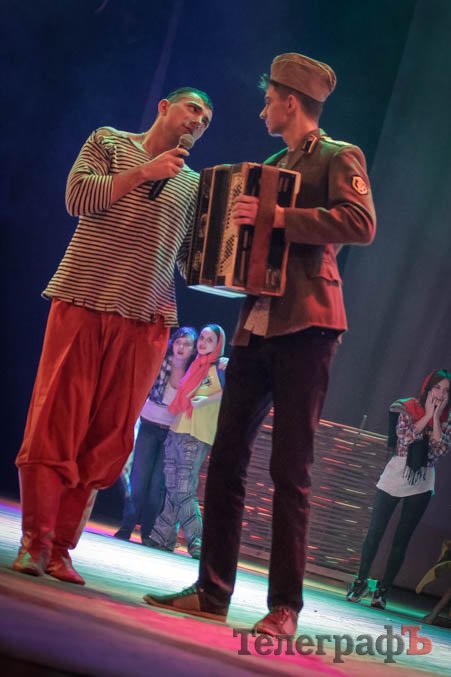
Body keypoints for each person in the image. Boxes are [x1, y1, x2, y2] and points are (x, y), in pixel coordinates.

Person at [143, 52, 376, 635]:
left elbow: (361, 223)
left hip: (309, 327)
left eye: (269, 100)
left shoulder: (338, 155)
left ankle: (285, 608)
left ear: (290, 103)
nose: (263, 110)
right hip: (255, 326)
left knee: (290, 469)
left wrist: (277, 215)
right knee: (225, 458)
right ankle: (212, 591)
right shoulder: (270, 164)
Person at [12, 87, 213, 585]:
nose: (198, 121)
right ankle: (34, 543)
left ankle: (61, 549)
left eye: (207, 119)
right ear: (164, 107)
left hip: (146, 317)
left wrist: (235, 256)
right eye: (193, 109)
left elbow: (189, 261)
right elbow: (77, 197)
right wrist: (145, 172)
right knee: (55, 420)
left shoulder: (193, 185)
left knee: (108, 435)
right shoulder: (109, 141)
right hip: (84, 297)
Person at [346, 369, 451, 610]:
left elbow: (441, 449)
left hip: (422, 480)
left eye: (446, 391)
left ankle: (383, 590)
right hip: (395, 474)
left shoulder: (447, 419)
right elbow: (404, 439)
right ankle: (360, 582)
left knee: (401, 539)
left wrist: (436, 418)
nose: (441, 394)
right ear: (428, 387)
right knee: (375, 532)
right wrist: (427, 414)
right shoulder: (407, 407)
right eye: (437, 387)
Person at [147, 324, 226, 559]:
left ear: (218, 345)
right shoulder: (194, 366)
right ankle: (162, 537)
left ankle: (198, 542)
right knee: (173, 488)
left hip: (196, 434)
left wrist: (207, 399)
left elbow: (233, 391)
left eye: (209, 340)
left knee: (183, 489)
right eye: (202, 338)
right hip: (176, 430)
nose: (203, 343)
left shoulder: (221, 367)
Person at [114, 326, 198, 544]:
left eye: (187, 344)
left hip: (172, 432)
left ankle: (148, 533)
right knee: (139, 480)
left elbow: (211, 381)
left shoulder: (195, 372)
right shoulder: (160, 362)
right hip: (149, 425)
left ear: (193, 349)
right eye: (178, 342)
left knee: (158, 486)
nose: (181, 347)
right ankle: (126, 527)